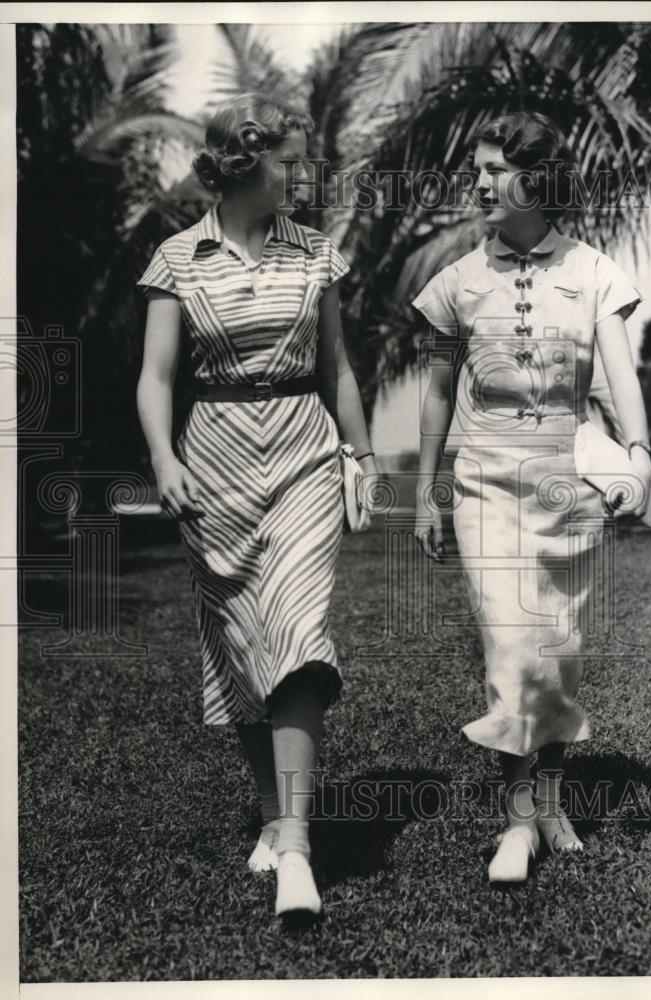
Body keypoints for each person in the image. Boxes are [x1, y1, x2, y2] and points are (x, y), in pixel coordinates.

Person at [135, 93, 376, 917]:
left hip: (305, 452)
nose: (301, 174)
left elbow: (339, 369)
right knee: (242, 647)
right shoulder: (176, 259)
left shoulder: (317, 254)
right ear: (243, 162)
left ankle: (299, 848)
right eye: (289, 160)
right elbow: (156, 379)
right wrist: (164, 459)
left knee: (299, 631)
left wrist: (364, 456)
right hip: (214, 461)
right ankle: (273, 816)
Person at [412, 111, 651, 881]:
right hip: (484, 482)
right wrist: (426, 492)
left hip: (567, 481)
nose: (479, 182)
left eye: (494, 169)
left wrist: (638, 457)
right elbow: (437, 393)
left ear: (538, 180)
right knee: (508, 643)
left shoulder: (594, 272)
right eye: (477, 167)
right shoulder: (456, 282)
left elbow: (620, 376)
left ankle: (550, 803)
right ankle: (518, 824)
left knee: (555, 652)